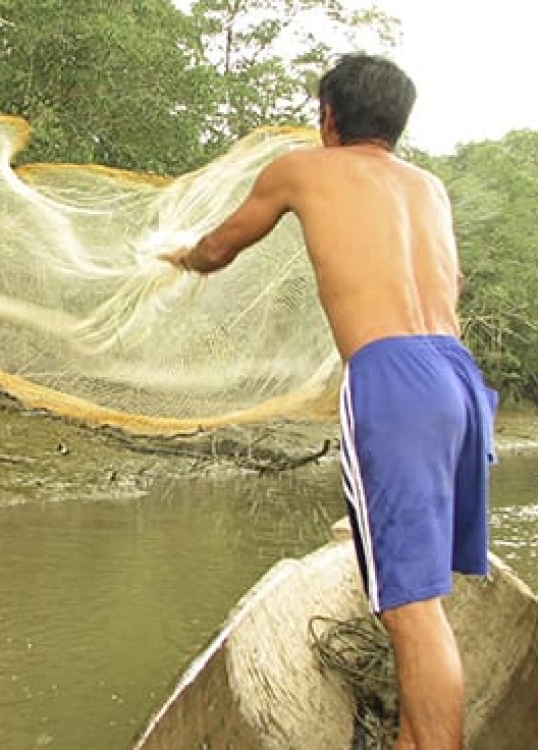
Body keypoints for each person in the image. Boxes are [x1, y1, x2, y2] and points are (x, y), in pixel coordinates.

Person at [160, 52, 497, 750]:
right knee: (425, 597)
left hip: (394, 380)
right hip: (459, 377)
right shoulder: (428, 187)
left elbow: (221, 248)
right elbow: (451, 281)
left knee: (410, 610)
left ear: (329, 116)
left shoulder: (302, 169)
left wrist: (174, 256)